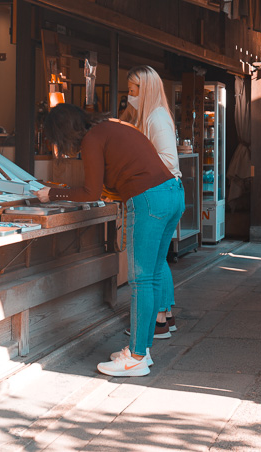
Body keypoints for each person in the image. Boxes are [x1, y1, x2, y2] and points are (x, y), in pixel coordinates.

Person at [35, 104, 183, 376]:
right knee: (150, 277)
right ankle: (142, 352)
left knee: (141, 281)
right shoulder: (110, 127)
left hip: (149, 200)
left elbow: (91, 191)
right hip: (173, 192)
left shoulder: (92, 140)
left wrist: (52, 194)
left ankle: (136, 358)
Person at [126, 65, 181, 337]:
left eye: (132, 91)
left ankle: (146, 337)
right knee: (158, 264)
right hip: (167, 194)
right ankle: (161, 321)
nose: (129, 96)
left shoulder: (156, 118)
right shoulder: (153, 115)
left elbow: (170, 161)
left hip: (155, 194)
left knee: (144, 275)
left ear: (145, 90)